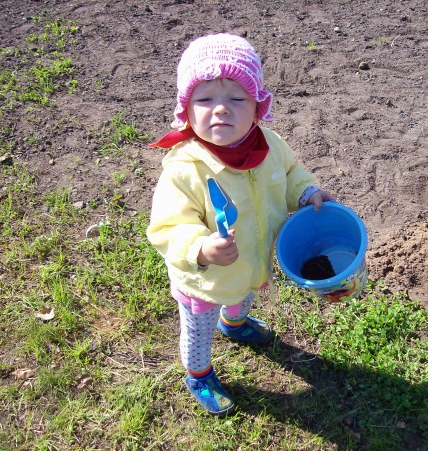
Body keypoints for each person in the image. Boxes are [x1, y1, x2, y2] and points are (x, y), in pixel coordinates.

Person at [146, 33, 334, 416]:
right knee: (198, 331)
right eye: (205, 99)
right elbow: (168, 227)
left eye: (236, 98)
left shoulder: (269, 145)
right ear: (186, 109)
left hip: (252, 257)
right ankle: (198, 373)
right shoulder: (185, 169)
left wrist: (305, 192)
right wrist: (200, 248)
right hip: (205, 279)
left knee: (243, 293)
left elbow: (290, 171)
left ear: (257, 106)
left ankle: (235, 323)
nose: (220, 110)